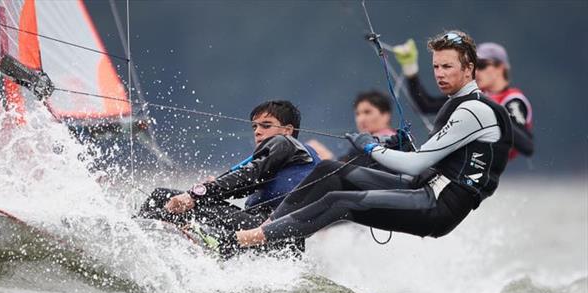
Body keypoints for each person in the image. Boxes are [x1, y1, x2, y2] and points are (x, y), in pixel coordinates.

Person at [195, 30, 513, 253]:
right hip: (420, 187)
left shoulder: (475, 110)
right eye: (436, 67)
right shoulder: (456, 105)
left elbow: (418, 162)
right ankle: (268, 228)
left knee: (340, 201)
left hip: (438, 205)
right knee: (333, 171)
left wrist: (370, 147)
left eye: (448, 67)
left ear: (469, 68)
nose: (440, 74)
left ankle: (241, 241)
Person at [137, 100, 320, 257]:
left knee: (161, 196)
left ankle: (133, 241)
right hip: (283, 244)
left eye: (266, 125)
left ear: (288, 130)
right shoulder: (285, 158)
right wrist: (210, 188)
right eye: (254, 126)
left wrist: (195, 194)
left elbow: (248, 176)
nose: (257, 131)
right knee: (184, 214)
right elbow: (241, 185)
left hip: (263, 230)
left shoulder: (284, 142)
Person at [393, 39, 534, 159]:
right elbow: (425, 106)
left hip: (491, 173)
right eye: (474, 65)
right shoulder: (476, 94)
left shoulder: (514, 100)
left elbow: (527, 146)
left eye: (482, 65)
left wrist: (490, 110)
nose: (476, 71)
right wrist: (410, 70)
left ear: (500, 68)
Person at [307, 90, 411, 170]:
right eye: (358, 114)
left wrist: (325, 157)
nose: (361, 119)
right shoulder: (362, 145)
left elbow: (346, 173)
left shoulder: (390, 143)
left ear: (385, 115)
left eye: (367, 112)